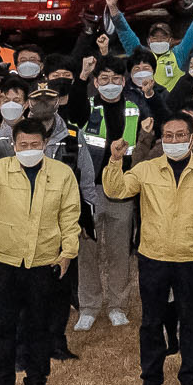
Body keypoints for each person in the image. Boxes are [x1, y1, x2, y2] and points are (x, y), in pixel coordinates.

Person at [101, 111, 193, 385]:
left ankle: (190, 377)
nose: (174, 140)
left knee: (192, 321)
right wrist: (115, 160)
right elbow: (116, 189)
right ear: (161, 139)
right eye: (168, 136)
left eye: (180, 135)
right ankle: (151, 378)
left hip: (190, 257)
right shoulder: (146, 169)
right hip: (153, 256)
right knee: (151, 321)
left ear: (192, 139)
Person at [0, 116, 81, 385]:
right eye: (23, 144)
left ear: (45, 144)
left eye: (34, 144)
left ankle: (37, 381)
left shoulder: (62, 174)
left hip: (43, 262)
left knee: (39, 325)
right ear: (14, 145)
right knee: (4, 327)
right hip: (4, 262)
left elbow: (70, 215)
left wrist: (68, 253)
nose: (29, 148)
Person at [71, 61, 140, 331]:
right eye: (104, 79)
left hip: (122, 189)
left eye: (115, 78)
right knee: (86, 249)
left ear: (124, 82)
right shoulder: (85, 105)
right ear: (96, 82)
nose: (110, 83)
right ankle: (88, 306)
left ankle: (117, 305)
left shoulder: (134, 108)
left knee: (119, 251)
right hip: (90, 189)